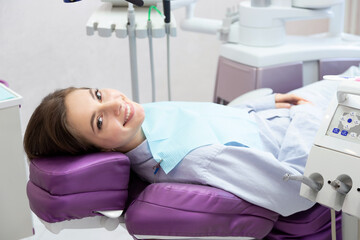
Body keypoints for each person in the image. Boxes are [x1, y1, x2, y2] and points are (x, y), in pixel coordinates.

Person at [23, 80, 340, 216]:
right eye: (99, 122)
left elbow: (204, 114)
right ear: (100, 153)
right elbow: (296, 193)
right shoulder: (195, 159)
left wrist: (265, 104)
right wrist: (315, 114)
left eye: (97, 94)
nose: (115, 105)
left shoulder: (139, 120)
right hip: (306, 129)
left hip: (282, 115)